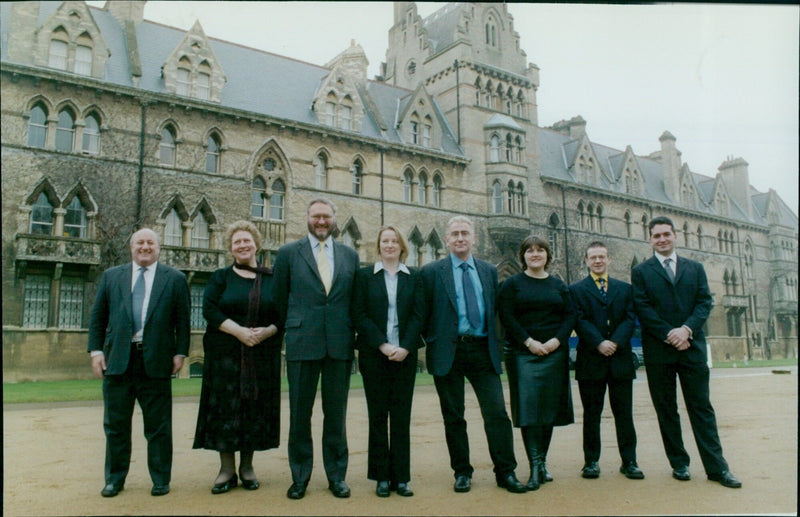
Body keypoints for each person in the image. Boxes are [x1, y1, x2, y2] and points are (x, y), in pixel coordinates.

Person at [631, 216, 741, 488]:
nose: (662, 239)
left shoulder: (695, 268)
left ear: (675, 236)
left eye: (666, 234)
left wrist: (686, 330)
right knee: (666, 410)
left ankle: (717, 468)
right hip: (660, 350)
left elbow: (704, 302)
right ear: (650, 239)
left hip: (691, 348)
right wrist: (670, 333)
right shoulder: (641, 272)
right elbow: (642, 308)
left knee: (701, 409)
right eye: (656, 236)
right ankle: (679, 463)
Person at [420, 215, 527, 494]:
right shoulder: (431, 272)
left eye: (464, 233)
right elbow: (421, 314)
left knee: (497, 414)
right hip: (448, 352)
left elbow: (498, 312)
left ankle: (506, 472)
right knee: (454, 416)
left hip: (482, 350)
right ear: (446, 239)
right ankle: (462, 472)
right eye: (454, 233)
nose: (459, 238)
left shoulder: (489, 270)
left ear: (473, 238)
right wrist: (432, 340)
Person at [87, 228, 190, 498]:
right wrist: (96, 351)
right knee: (116, 425)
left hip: (156, 361)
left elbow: (183, 322)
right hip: (118, 360)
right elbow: (98, 317)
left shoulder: (175, 279)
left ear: (159, 247)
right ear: (131, 247)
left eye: (150, 242)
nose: (145, 247)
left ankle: (160, 479)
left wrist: (180, 353)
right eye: (140, 242)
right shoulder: (112, 276)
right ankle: (114, 480)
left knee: (158, 426)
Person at [272, 198, 360, 500]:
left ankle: (337, 476)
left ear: (334, 219)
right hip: (302, 341)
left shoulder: (350, 255)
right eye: (316, 216)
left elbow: (353, 301)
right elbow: (278, 300)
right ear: (307, 218)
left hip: (339, 343)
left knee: (336, 415)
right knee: (300, 414)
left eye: (326, 216)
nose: (321, 221)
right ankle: (300, 477)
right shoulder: (287, 254)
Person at [193, 221, 283, 494]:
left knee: (252, 409)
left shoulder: (272, 278)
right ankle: (226, 469)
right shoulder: (220, 277)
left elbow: (283, 314)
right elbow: (209, 309)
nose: (242, 245)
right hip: (225, 357)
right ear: (230, 248)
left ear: (256, 243)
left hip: (261, 356)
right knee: (225, 409)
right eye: (237, 242)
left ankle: (247, 467)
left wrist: (265, 333)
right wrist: (240, 332)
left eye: (247, 240)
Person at [498, 236, 575, 491]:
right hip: (523, 354)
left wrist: (555, 342)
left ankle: (541, 464)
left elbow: (570, 315)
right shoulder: (512, 284)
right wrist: (529, 342)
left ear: (547, 255)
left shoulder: (558, 285)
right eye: (529, 251)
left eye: (540, 250)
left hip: (553, 353)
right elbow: (507, 316)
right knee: (530, 411)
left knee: (548, 411)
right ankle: (534, 468)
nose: (535, 254)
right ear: (523, 256)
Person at [352, 225, 424, 498]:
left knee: (401, 417)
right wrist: (382, 344)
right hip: (374, 355)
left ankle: (402, 478)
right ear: (379, 246)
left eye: (395, 241)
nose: (390, 245)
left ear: (402, 246)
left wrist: (405, 346)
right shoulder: (364, 277)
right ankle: (382, 476)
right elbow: (358, 314)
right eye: (385, 241)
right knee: (378, 415)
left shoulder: (414, 277)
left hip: (404, 356)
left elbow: (419, 315)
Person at [569, 241, 643, 480]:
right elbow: (578, 320)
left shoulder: (624, 289)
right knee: (592, 413)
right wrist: (599, 342)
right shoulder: (577, 290)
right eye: (593, 257)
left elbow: (629, 319)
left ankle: (629, 461)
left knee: (624, 413)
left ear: (609, 259)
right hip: (591, 359)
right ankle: (591, 462)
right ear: (586, 261)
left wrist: (616, 342)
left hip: (620, 359)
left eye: (602, 257)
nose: (598, 261)